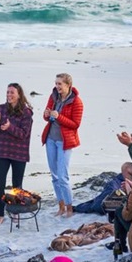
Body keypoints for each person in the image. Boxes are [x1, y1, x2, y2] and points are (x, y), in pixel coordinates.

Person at [0, 83, 34, 224]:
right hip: (2, 152)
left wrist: (9, 127)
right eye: (7, 92)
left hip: (19, 154)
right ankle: (1, 215)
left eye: (12, 92)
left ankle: (16, 213)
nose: (9, 95)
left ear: (19, 94)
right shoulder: (1, 109)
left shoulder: (26, 113)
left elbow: (23, 134)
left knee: (17, 186)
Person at [41, 73, 84, 217]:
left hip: (65, 142)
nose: (57, 86)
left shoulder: (76, 102)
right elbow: (46, 117)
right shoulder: (53, 97)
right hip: (50, 139)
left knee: (62, 175)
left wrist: (59, 117)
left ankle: (69, 207)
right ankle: (61, 207)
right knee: (54, 175)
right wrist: (47, 114)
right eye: (56, 83)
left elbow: (75, 124)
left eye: (60, 84)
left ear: (68, 85)